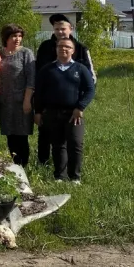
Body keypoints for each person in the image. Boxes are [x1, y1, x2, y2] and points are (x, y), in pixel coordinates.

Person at [33, 37, 96, 183]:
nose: (63, 49)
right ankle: (59, 176)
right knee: (57, 145)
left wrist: (80, 107)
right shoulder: (47, 69)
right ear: (56, 49)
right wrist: (38, 112)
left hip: (74, 114)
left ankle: (75, 177)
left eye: (67, 47)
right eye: (60, 46)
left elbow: (90, 89)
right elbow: (39, 93)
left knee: (75, 144)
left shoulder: (80, 69)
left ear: (73, 51)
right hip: (52, 113)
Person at [0, 24, 35, 165]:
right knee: (10, 135)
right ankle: (15, 165)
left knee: (21, 135)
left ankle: (23, 166)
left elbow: (31, 79)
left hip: (21, 101)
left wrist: (27, 100)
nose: (17, 39)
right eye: (14, 36)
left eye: (19, 36)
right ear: (6, 37)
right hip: (5, 102)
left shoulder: (26, 53)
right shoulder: (0, 53)